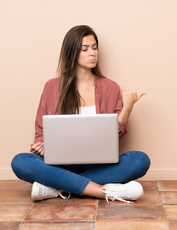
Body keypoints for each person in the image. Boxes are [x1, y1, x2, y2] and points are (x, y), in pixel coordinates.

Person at [11, 25, 150, 203]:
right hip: (60, 164)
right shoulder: (52, 87)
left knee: (140, 160)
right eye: (85, 49)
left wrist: (127, 108)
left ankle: (56, 187)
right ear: (71, 53)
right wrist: (42, 146)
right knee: (20, 161)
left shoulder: (110, 87)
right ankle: (102, 191)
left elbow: (115, 138)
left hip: (98, 164)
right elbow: (40, 134)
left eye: (94, 47)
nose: (92, 53)